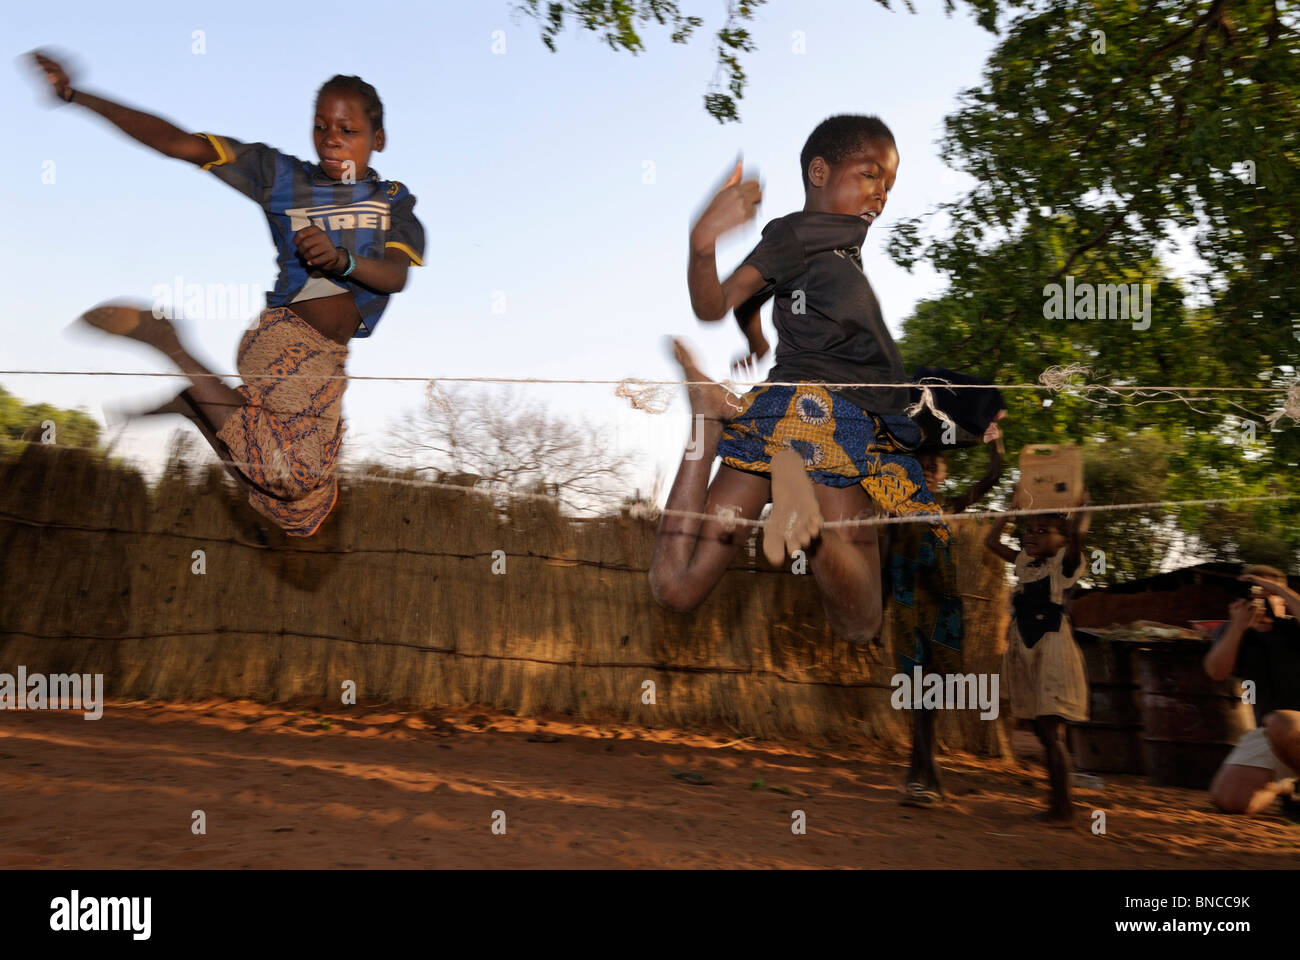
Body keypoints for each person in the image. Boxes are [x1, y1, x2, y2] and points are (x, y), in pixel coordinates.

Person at [30, 52, 425, 536]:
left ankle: (201, 407)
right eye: (321, 126)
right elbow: (178, 143)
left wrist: (343, 260)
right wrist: (75, 96)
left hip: (325, 360)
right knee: (294, 476)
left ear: (378, 139)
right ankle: (168, 342)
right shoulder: (282, 176)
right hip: (288, 339)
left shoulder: (392, 200)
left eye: (348, 129)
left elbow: (395, 275)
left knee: (300, 512)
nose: (331, 139)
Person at [651, 115, 945, 646]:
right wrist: (702, 243)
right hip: (830, 420)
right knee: (860, 623)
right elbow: (713, 303)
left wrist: (757, 337)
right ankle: (806, 524)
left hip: (774, 417)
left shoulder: (829, 248)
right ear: (819, 170)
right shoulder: (797, 234)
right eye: (870, 174)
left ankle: (709, 423)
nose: (881, 194)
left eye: (889, 185)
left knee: (675, 589)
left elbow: (761, 298)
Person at [890, 415, 1004, 807]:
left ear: (941, 475)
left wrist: (995, 444)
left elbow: (991, 478)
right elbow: (884, 560)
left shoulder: (947, 507)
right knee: (920, 696)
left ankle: (917, 774)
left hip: (943, 612)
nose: (927, 471)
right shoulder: (893, 511)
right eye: (920, 465)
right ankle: (927, 779)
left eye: (932, 467)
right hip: (908, 610)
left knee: (930, 698)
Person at [985, 493, 1089, 823]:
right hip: (1025, 650)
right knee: (1042, 732)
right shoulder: (1024, 564)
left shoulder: (1064, 564)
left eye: (1043, 531)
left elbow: (1078, 538)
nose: (1031, 536)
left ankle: (1063, 808)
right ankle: (1059, 803)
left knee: (1051, 732)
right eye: (1028, 530)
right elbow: (991, 540)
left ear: (1063, 539)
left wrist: (1083, 510)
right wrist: (1009, 513)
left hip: (1052, 651)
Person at [1203, 566, 1300, 815]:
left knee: (1283, 722)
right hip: (1271, 733)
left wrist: (1278, 590)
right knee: (1230, 801)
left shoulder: (1293, 627)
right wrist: (1237, 627)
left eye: (1264, 591)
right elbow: (1216, 671)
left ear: (1283, 597)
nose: (1257, 598)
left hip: (1288, 726)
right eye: (1251, 591)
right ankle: (1287, 786)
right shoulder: (1233, 633)